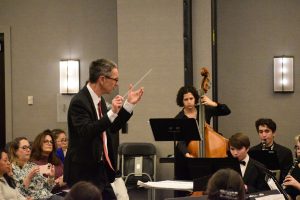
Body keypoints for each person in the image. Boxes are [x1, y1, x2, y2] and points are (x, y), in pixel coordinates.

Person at [63, 58, 144, 200]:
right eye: (115, 79)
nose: (116, 84)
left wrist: (129, 105)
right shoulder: (79, 101)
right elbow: (86, 131)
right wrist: (111, 112)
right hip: (83, 171)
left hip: (100, 170)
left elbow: (110, 127)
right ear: (102, 79)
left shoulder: (99, 100)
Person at [250, 118, 293, 184]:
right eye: (261, 132)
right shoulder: (252, 151)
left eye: (267, 131)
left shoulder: (285, 152)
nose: (264, 135)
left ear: (274, 133)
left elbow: (286, 177)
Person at [31, 130, 67, 194]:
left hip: (67, 190)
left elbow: (66, 174)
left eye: (51, 142)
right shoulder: (34, 163)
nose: (49, 143)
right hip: (52, 195)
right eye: (45, 141)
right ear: (39, 143)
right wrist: (58, 183)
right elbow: (42, 188)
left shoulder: (56, 160)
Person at [283, 135, 300, 199]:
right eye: (298, 148)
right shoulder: (295, 165)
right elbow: (290, 191)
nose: (298, 151)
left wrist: (296, 184)